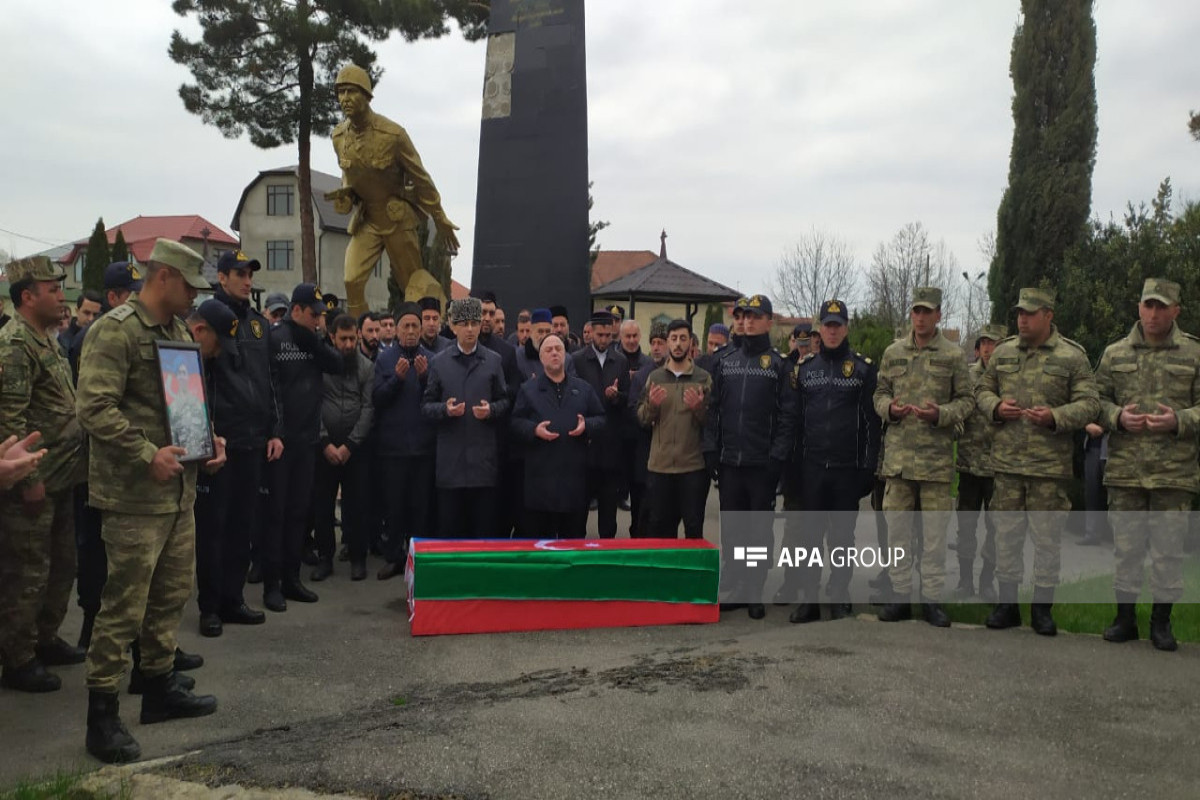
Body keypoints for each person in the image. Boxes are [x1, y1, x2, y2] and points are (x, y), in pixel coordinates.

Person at [76, 239, 225, 764]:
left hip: (178, 492)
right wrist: (146, 454)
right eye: (188, 286)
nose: (193, 297)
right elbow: (92, 407)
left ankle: (159, 691)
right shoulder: (114, 330)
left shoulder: (178, 331)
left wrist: (209, 440)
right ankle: (102, 716)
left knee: (170, 595)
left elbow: (185, 399)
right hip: (134, 496)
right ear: (162, 277)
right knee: (123, 606)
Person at [976, 287, 1098, 636]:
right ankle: (1007, 605)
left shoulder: (1072, 357)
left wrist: (1056, 416)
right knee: (1006, 537)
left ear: (1049, 315)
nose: (1022, 318)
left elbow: (1090, 403)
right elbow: (981, 391)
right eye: (1019, 313)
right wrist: (996, 408)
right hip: (1008, 464)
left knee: (1047, 540)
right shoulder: (1002, 353)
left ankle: (1042, 609)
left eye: (1030, 313)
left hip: (1048, 468)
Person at [1093, 278, 1197, 651]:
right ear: (1139, 308)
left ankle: (1161, 623)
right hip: (1126, 471)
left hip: (1174, 472)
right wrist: (1118, 417)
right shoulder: (1115, 354)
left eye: (1161, 306)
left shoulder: (1194, 354)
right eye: (1147, 305)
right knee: (1127, 548)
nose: (1153, 314)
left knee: (1168, 550)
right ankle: (1124, 619)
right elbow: (1095, 400)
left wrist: (1180, 421)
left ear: (1175, 311)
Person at [0, 256, 87, 693]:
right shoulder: (15, 343)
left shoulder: (46, 339)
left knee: (61, 566)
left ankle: (45, 638)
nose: (61, 294)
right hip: (32, 482)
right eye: (52, 288)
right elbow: (9, 420)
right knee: (27, 571)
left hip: (61, 477)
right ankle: (17, 657)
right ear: (27, 296)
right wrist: (27, 479)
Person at [192, 251, 281, 638]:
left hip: (253, 440)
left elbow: (269, 381)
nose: (247, 281)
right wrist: (207, 436)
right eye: (240, 274)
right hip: (220, 443)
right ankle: (210, 606)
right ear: (223, 277)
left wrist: (274, 430)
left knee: (243, 525)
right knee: (213, 527)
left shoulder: (258, 325)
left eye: (250, 275)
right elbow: (199, 382)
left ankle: (233, 598)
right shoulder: (207, 320)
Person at [873, 287, 973, 627]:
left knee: (933, 538)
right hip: (899, 462)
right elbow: (879, 393)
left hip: (935, 463)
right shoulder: (893, 352)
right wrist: (890, 409)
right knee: (897, 534)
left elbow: (967, 401)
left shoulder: (954, 356)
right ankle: (900, 597)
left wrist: (941, 414)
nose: (920, 317)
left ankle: (932, 601)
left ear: (939, 315)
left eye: (927, 311)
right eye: (916, 310)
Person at [328, 64, 459, 317]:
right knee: (351, 280)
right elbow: (349, 172)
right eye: (340, 92)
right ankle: (358, 336)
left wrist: (439, 216)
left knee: (414, 284)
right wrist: (346, 192)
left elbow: (421, 178)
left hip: (397, 217)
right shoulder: (338, 136)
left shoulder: (393, 134)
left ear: (366, 96)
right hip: (367, 220)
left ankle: (430, 330)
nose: (345, 99)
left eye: (351, 92)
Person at [786, 300, 880, 623]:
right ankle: (809, 600)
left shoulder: (864, 369)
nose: (833, 330)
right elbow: (794, 423)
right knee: (809, 536)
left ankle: (839, 595)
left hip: (846, 470)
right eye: (827, 325)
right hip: (811, 468)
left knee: (842, 538)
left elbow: (872, 424)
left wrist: (868, 467)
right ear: (819, 329)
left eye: (838, 325)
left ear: (846, 328)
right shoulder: (805, 370)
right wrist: (792, 469)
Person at [703, 295, 795, 619]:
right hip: (730, 462)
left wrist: (776, 459)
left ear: (769, 321)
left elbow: (787, 417)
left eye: (755, 317)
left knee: (758, 532)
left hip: (761, 464)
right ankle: (738, 585)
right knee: (734, 529)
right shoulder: (725, 360)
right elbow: (713, 409)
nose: (748, 322)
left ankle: (755, 588)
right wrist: (711, 448)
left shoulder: (779, 365)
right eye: (744, 316)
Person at [263, 284, 343, 611]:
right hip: (281, 442)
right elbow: (270, 389)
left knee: (298, 513)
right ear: (296, 310)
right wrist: (275, 431)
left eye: (321, 315)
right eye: (313, 315)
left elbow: (338, 364)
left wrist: (316, 337)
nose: (318, 320)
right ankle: (272, 584)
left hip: (307, 441)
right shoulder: (275, 339)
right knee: (276, 514)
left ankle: (292, 579)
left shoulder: (313, 339)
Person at [421, 297, 510, 537]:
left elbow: (505, 401)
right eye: (464, 323)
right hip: (451, 464)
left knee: (483, 531)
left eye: (474, 323)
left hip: (483, 463)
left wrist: (491, 410)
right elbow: (426, 406)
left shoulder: (493, 361)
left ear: (481, 325)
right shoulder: (439, 363)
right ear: (453, 326)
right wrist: (445, 410)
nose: (469, 329)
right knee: (450, 530)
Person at [510, 334, 605, 538]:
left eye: (558, 349)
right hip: (541, 482)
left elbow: (601, 419)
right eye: (548, 350)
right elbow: (515, 422)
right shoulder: (528, 390)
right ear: (541, 358)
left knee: (572, 543)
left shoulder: (583, 388)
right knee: (541, 547)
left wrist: (586, 425)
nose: (554, 353)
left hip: (574, 481)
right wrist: (534, 430)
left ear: (566, 355)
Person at [373, 304, 435, 579]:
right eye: (405, 326)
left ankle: (418, 558)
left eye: (415, 326)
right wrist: (397, 380)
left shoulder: (432, 359)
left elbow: (435, 401)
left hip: (423, 448)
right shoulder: (385, 360)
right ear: (396, 329)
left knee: (420, 507)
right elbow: (378, 400)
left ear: (421, 330)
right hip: (394, 448)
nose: (410, 331)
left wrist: (423, 379)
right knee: (394, 506)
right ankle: (393, 558)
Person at [312, 314, 374, 582]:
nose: (348, 345)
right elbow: (312, 404)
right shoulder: (319, 367)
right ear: (332, 338)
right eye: (343, 339)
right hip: (323, 449)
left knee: (358, 505)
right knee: (322, 507)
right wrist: (325, 442)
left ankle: (358, 558)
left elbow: (369, 408)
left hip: (355, 450)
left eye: (352, 338)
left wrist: (350, 445)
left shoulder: (367, 367)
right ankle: (325, 558)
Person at [638, 319, 712, 539]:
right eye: (673, 339)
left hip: (692, 467)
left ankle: (692, 574)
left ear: (691, 342)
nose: (678, 344)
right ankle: (664, 574)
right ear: (668, 343)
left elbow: (711, 424)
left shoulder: (703, 378)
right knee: (659, 527)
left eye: (683, 338)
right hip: (660, 468)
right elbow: (642, 419)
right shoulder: (655, 377)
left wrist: (699, 409)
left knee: (693, 527)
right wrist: (652, 405)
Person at [953, 324, 1006, 602]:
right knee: (966, 527)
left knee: (996, 529)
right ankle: (964, 580)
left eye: (993, 343)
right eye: (984, 343)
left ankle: (987, 580)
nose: (988, 348)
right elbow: (959, 412)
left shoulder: (1009, 378)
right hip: (969, 465)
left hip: (998, 467)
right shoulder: (968, 377)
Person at [572, 311, 630, 539]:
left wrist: (616, 396)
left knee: (608, 512)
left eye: (608, 335)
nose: (604, 340)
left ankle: (607, 554)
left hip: (610, 446)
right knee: (578, 511)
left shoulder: (620, 361)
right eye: (600, 335)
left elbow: (628, 400)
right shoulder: (577, 359)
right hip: (583, 444)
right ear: (592, 333)